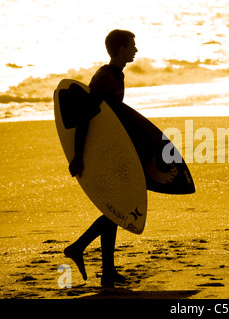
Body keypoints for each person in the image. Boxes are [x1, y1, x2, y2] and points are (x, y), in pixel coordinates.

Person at [64, 29, 138, 288]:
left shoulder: (118, 75)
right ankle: (78, 247)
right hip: (99, 152)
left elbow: (112, 118)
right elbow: (85, 116)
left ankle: (107, 272)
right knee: (115, 209)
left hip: (111, 150)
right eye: (132, 45)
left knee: (113, 207)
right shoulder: (105, 77)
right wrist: (79, 155)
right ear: (120, 50)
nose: (136, 50)